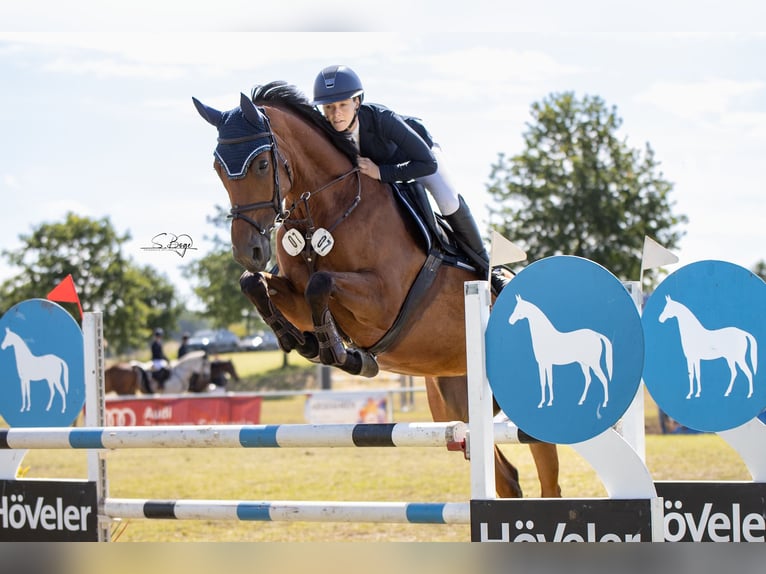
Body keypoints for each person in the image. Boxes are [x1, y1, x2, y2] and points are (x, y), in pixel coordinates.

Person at [312, 64, 508, 293]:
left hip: (419, 156)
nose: (335, 115)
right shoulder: (325, 132)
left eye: (342, 105)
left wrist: (382, 173)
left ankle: (489, 269)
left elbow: (427, 163)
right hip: (380, 171)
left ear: (357, 102)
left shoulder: (381, 119)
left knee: (447, 199)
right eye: (328, 107)